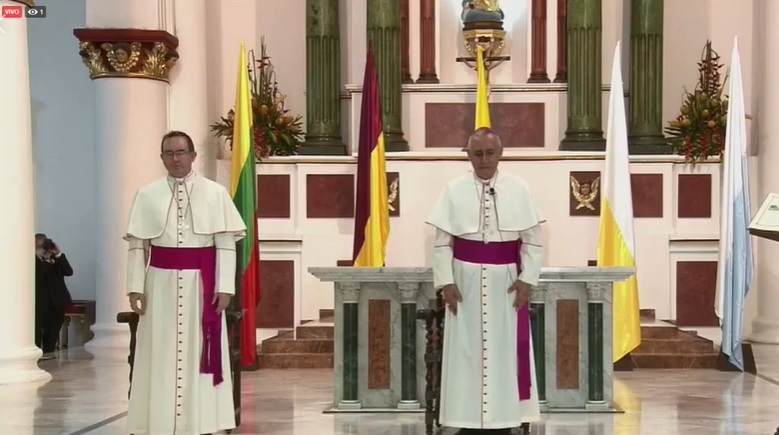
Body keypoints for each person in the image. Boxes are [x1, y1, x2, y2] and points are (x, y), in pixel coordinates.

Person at [124, 130, 246, 435]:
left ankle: (203, 422)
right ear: (162, 157)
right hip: (159, 286)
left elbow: (225, 244)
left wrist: (225, 287)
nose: (175, 159)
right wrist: (135, 286)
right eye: (169, 153)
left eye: (181, 152)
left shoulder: (215, 193)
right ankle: (158, 421)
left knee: (200, 352)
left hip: (201, 287)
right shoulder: (147, 195)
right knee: (160, 352)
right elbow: (138, 246)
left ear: (193, 156)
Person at [426, 128, 544, 434]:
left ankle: (505, 418)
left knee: (505, 353)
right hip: (464, 284)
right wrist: (446, 282)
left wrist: (527, 280)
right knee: (465, 353)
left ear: (500, 154)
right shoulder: (453, 189)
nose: (484, 159)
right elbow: (442, 244)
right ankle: (464, 419)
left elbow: (533, 241)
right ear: (468, 155)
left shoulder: (519, 188)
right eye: (477, 153)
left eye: (490, 153)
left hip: (506, 285)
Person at [34, 233, 73, 360]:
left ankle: (49, 355)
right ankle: (36, 356)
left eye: (44, 245)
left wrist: (58, 254)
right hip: (38, 303)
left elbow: (69, 271)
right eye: (40, 246)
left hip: (56, 303)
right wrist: (45, 261)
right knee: (36, 332)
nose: (44, 249)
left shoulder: (56, 259)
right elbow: (39, 276)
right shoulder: (31, 261)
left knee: (52, 333)